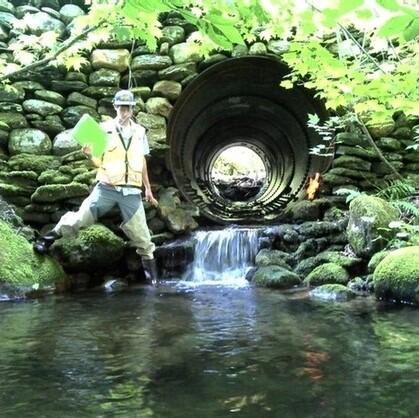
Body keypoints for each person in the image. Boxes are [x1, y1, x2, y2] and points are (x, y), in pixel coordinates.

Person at [33, 90, 159, 284]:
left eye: (128, 108)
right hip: (106, 187)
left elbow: (141, 160)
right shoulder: (103, 129)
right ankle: (46, 240)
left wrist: (148, 189)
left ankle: (153, 283)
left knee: (142, 237)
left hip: (132, 191)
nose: (124, 111)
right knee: (80, 218)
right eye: (121, 107)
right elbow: (97, 162)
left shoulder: (140, 132)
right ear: (115, 107)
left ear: (132, 109)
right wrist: (89, 155)